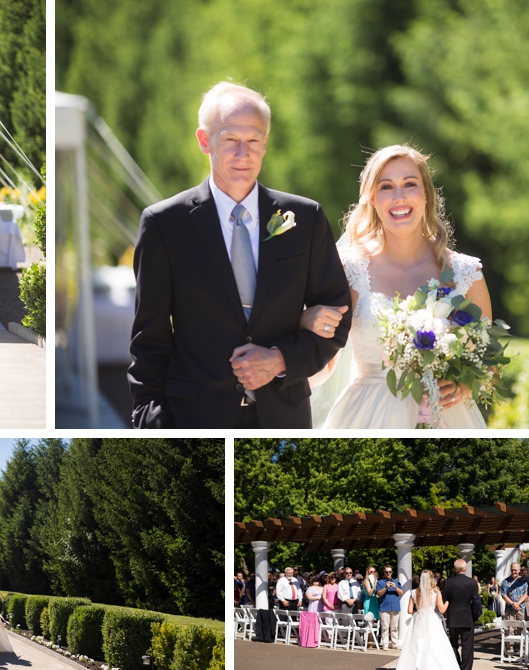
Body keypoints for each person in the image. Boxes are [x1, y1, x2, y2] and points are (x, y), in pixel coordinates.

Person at [128, 81, 352, 428]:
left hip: (283, 420)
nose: (243, 154)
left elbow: (338, 317)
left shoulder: (305, 218)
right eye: (231, 139)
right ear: (205, 140)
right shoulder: (164, 225)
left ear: (266, 143)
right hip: (194, 420)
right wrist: (150, 423)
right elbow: (149, 340)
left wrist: (280, 359)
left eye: (254, 141)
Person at [300, 144, 492, 429]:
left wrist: (467, 384)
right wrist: (304, 324)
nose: (399, 197)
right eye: (386, 186)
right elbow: (322, 367)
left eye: (410, 184)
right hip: (367, 417)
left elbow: (488, 360)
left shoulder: (466, 273)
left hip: (447, 417)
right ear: (372, 199)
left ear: (426, 194)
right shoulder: (349, 270)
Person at [380, 570, 479, 670]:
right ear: (432, 579)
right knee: (435, 650)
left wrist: (420, 610)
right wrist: (449, 601)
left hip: (418, 621)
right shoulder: (435, 592)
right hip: (432, 621)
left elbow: (409, 611)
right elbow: (443, 609)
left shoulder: (413, 593)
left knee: (415, 649)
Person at [442, 559, 482, 670]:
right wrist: (475, 615)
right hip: (467, 617)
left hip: (453, 617)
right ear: (465, 569)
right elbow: (476, 602)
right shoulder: (471, 583)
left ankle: (455, 667)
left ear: (455, 569)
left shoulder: (448, 582)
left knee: (453, 644)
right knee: (467, 646)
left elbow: (445, 600)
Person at [501, 564, 528, 656]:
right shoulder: (505, 581)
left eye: (515, 570)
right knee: (510, 629)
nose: (514, 572)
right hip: (509, 609)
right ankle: (510, 651)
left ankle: (523, 650)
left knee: (522, 629)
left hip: (521, 608)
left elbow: (526, 594)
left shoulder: (523, 581)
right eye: (512, 570)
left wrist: (518, 603)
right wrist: (512, 603)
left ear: (519, 570)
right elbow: (503, 595)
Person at [376, 565, 403, 649]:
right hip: (384, 608)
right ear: (384, 573)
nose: (388, 573)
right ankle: (385, 644)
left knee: (394, 627)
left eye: (390, 572)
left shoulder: (396, 582)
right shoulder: (380, 582)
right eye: (386, 572)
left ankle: (394, 643)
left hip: (395, 607)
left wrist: (395, 587)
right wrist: (386, 587)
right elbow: (378, 594)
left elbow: (401, 592)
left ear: (392, 572)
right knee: (385, 627)